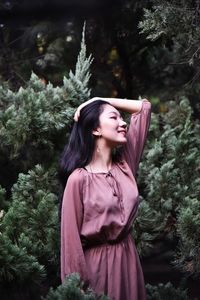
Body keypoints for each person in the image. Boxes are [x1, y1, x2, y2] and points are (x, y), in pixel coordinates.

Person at [59, 97, 151, 300]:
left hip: (129, 263)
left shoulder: (125, 166)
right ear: (95, 130)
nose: (123, 122)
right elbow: (70, 243)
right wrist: (77, 289)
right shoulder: (78, 179)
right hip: (97, 269)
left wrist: (98, 99)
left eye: (121, 117)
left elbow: (143, 108)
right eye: (114, 117)